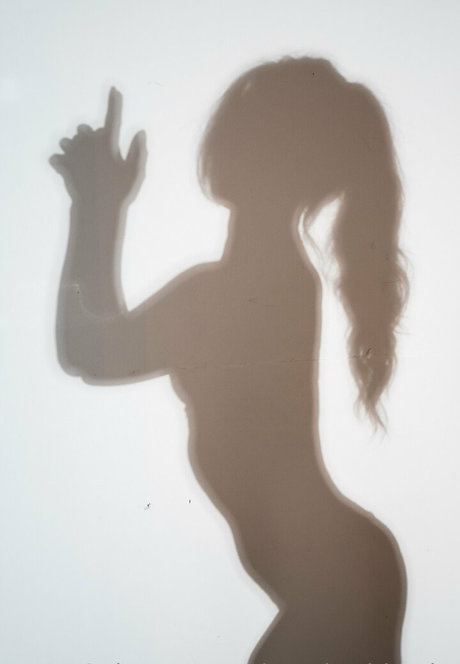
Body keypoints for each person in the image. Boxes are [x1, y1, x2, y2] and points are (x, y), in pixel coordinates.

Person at [51, 57, 408, 663]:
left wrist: (96, 208)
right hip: (347, 578)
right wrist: (99, 208)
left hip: (340, 586)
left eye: (241, 122)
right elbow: (102, 348)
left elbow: (90, 352)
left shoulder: (242, 286)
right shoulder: (263, 279)